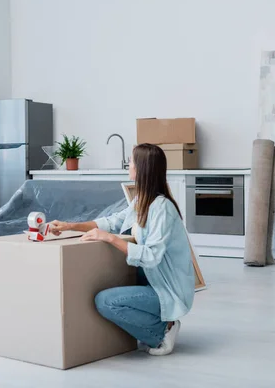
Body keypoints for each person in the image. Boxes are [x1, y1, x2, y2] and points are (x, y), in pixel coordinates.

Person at [50, 143, 194, 355]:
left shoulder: (162, 208)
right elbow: (111, 222)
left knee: (106, 301)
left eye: (132, 162)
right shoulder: (141, 201)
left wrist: (109, 239)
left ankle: (164, 330)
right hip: (150, 281)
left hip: (167, 289)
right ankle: (156, 324)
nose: (129, 166)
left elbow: (152, 256)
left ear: (142, 169)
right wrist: (69, 226)